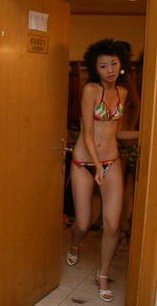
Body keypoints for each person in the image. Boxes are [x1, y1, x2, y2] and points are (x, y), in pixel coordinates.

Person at [66, 39, 138, 302]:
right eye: (103, 65)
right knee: (83, 222)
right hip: (84, 163)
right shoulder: (90, 91)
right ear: (96, 68)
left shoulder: (123, 93)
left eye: (114, 64)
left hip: (112, 162)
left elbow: (116, 133)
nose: (109, 69)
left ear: (121, 65)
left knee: (112, 224)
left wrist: (145, 134)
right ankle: (74, 243)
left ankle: (103, 274)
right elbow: (87, 133)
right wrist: (96, 166)